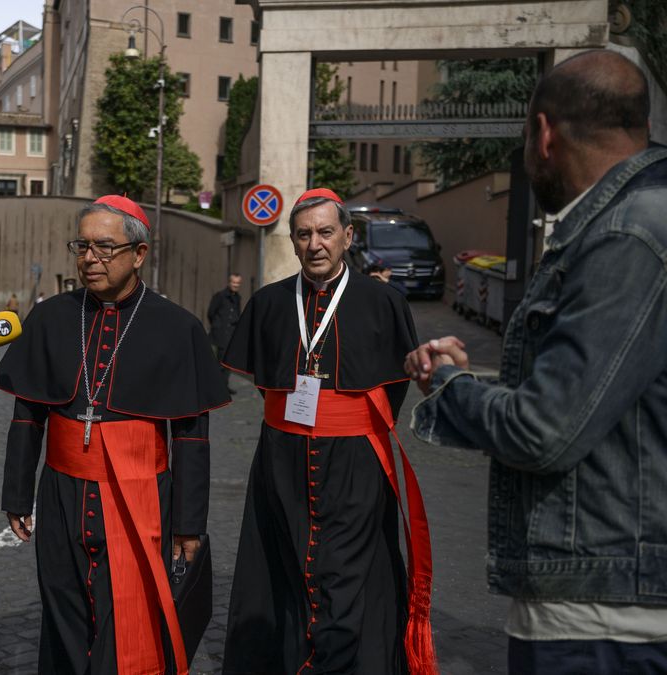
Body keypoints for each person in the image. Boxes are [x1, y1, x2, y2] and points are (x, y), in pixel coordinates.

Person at [406, 51, 667, 674]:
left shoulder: (625, 238)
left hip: (603, 619)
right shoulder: (629, 223)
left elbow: (544, 430)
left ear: (543, 133)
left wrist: (450, 387)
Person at [0, 195, 229, 674]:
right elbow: (28, 414)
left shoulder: (177, 326)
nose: (89, 259)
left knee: (128, 617)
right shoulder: (51, 317)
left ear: (139, 254)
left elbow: (190, 434)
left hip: (139, 495)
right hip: (61, 492)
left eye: (104, 247)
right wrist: (17, 494)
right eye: (82, 246)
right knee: (63, 610)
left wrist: (188, 525)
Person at [222, 188, 435, 675]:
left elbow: (394, 389)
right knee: (289, 567)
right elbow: (265, 384)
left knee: (346, 572)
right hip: (282, 461)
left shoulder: (384, 302)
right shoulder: (270, 303)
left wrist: (346, 422)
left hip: (357, 462)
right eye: (304, 234)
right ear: (293, 243)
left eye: (325, 232)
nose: (315, 243)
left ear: (346, 236)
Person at [206, 273, 243, 395]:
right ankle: (217, 388)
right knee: (220, 362)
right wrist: (218, 326)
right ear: (229, 282)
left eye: (238, 283)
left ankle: (224, 387)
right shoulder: (220, 296)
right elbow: (211, 313)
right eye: (234, 282)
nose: (235, 285)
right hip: (220, 335)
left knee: (228, 363)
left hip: (231, 335)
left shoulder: (238, 298)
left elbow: (237, 313)